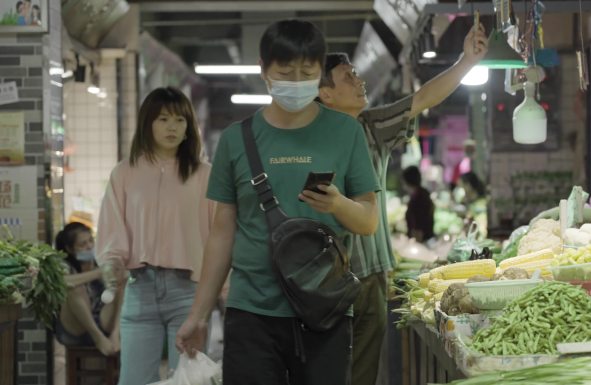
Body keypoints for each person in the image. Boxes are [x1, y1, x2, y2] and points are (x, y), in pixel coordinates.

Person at [175, 19, 379, 385]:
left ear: (320, 74)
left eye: (307, 71)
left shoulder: (346, 132)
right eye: (285, 71)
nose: (296, 80)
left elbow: (368, 221)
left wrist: (337, 206)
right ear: (264, 71)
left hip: (324, 310)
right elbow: (222, 234)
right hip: (251, 311)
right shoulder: (236, 140)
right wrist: (200, 314)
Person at [316, 22, 488, 385]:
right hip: (328, 279)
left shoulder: (371, 127)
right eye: (347, 77)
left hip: (375, 275)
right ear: (324, 94)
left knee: (363, 373)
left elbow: (423, 99)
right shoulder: (308, 140)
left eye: (357, 72)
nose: (358, 80)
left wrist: (466, 62)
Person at [96, 86, 214, 385]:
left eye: (179, 120)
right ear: (147, 123)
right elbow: (112, 228)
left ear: (189, 127)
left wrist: (222, 292)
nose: (172, 127)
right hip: (139, 290)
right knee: (134, 380)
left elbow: (218, 236)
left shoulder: (205, 175)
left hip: (190, 292)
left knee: (190, 380)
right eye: (162, 119)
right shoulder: (124, 173)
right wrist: (111, 263)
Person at [55, 222, 122, 357]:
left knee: (122, 282)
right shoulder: (63, 265)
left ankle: (116, 333)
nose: (89, 246)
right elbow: (63, 282)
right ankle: (98, 338)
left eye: (91, 241)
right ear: (70, 248)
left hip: (103, 321)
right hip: (74, 329)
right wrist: (98, 273)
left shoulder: (101, 261)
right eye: (82, 244)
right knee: (74, 287)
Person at [402, 165, 435, 242]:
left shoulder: (418, 198)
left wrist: (416, 246)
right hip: (425, 239)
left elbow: (419, 226)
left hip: (422, 241)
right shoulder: (422, 193)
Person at [458, 171, 488, 238]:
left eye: (462, 187)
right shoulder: (466, 201)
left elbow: (481, 229)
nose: (462, 190)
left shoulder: (481, 204)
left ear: (468, 185)